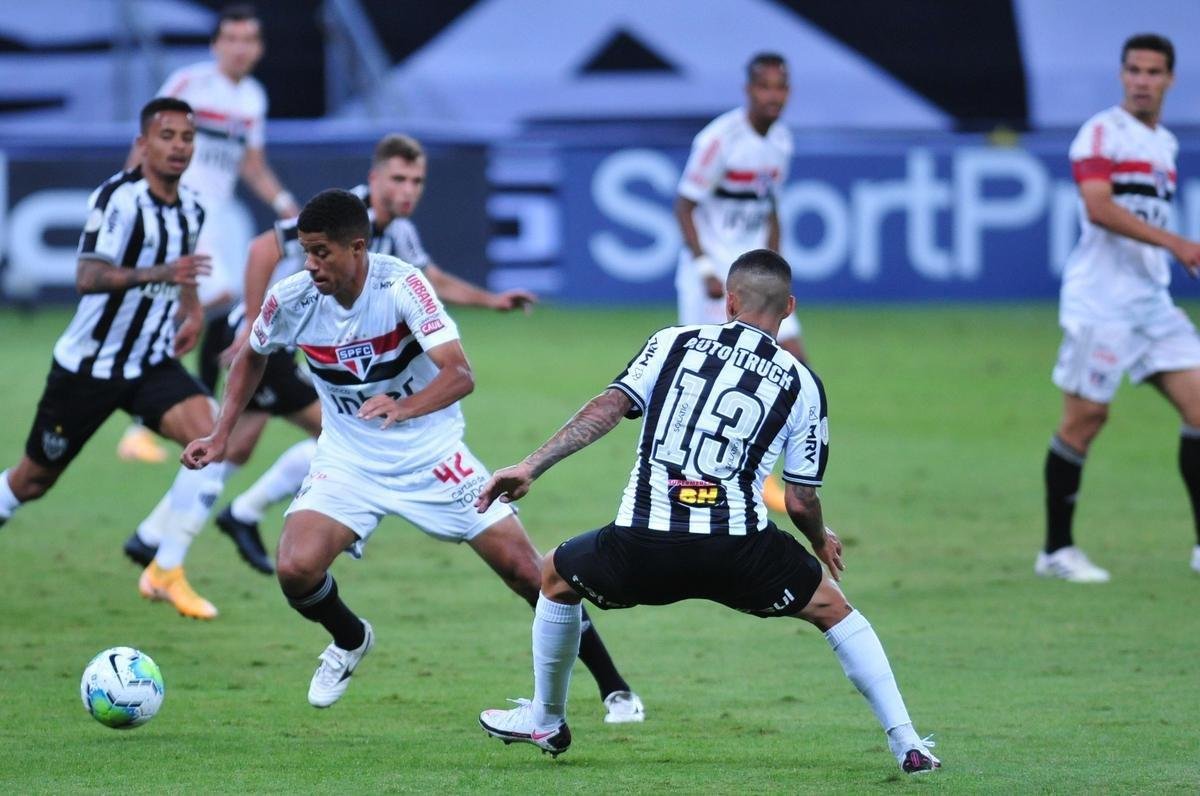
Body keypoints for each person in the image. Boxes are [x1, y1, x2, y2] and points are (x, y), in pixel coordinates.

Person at [180, 190, 643, 720]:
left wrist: (406, 408)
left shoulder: (401, 285)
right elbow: (250, 357)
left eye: (320, 252)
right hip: (350, 459)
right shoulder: (291, 298)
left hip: (432, 453)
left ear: (357, 248)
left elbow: (460, 373)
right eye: (305, 252)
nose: (309, 264)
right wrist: (220, 433)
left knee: (527, 574)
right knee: (295, 569)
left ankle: (615, 688)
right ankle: (350, 639)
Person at [476, 249, 938, 773]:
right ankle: (908, 743)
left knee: (555, 574)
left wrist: (532, 466)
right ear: (788, 308)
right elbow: (801, 498)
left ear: (728, 299)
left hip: (642, 544)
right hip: (740, 551)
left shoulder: (671, 342)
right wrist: (817, 539)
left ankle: (546, 718)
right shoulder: (802, 382)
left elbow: (608, 407)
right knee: (835, 611)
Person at [124, 133, 539, 585]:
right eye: (398, 179)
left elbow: (434, 279)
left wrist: (492, 301)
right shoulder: (345, 216)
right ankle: (192, 544)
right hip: (274, 338)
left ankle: (161, 538)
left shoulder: (398, 233)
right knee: (341, 434)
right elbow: (263, 248)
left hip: (310, 346)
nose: (408, 190)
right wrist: (248, 321)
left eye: (417, 181)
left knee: (244, 444)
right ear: (374, 179)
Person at [0, 98, 222, 618]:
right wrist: (160, 274)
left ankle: (165, 568)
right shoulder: (117, 199)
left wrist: (190, 310)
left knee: (211, 442)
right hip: (89, 367)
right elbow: (88, 277)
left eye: (187, 138)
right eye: (166, 136)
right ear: (144, 144)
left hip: (148, 363)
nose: (178, 147)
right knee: (31, 482)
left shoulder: (191, 207)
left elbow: (184, 271)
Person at [1038, 33, 1200, 583]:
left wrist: (1165, 253)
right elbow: (1099, 207)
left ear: (1170, 79)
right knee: (1085, 420)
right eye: (1134, 70)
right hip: (1100, 303)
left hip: (1151, 302)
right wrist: (1177, 244)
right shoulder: (1101, 132)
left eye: (1154, 72)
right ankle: (1056, 551)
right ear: (1122, 74)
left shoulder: (1165, 146)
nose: (1142, 80)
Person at [117, 3, 300, 464]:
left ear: (258, 48)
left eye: (249, 40)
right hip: (178, 210)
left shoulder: (253, 97)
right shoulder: (189, 84)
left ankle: (192, 403)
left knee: (221, 307)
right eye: (232, 39)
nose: (240, 48)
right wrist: (130, 201)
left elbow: (250, 164)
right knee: (216, 296)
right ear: (216, 44)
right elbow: (146, 144)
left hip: (218, 218)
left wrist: (283, 203)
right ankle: (147, 416)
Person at [675, 52, 805, 514]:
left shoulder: (782, 142)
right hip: (716, 280)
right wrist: (705, 268)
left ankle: (784, 478)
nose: (774, 96)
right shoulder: (719, 139)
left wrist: (776, 266)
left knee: (796, 365)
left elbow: (771, 209)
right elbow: (685, 205)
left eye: (781, 87)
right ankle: (698, 474)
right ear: (749, 90)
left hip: (759, 275)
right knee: (714, 375)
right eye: (765, 87)